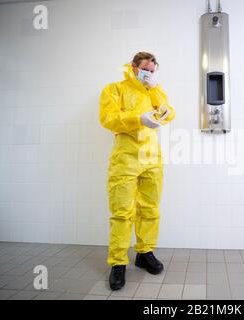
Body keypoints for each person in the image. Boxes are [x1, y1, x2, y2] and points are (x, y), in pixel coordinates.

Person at [99, 52, 175, 290]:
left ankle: (144, 253)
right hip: (126, 158)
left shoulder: (153, 90)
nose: (149, 74)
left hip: (151, 158)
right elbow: (108, 119)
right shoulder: (114, 89)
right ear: (133, 67)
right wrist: (138, 119)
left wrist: (155, 91)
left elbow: (169, 113)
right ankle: (118, 262)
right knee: (122, 212)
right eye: (145, 69)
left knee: (150, 210)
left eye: (153, 71)